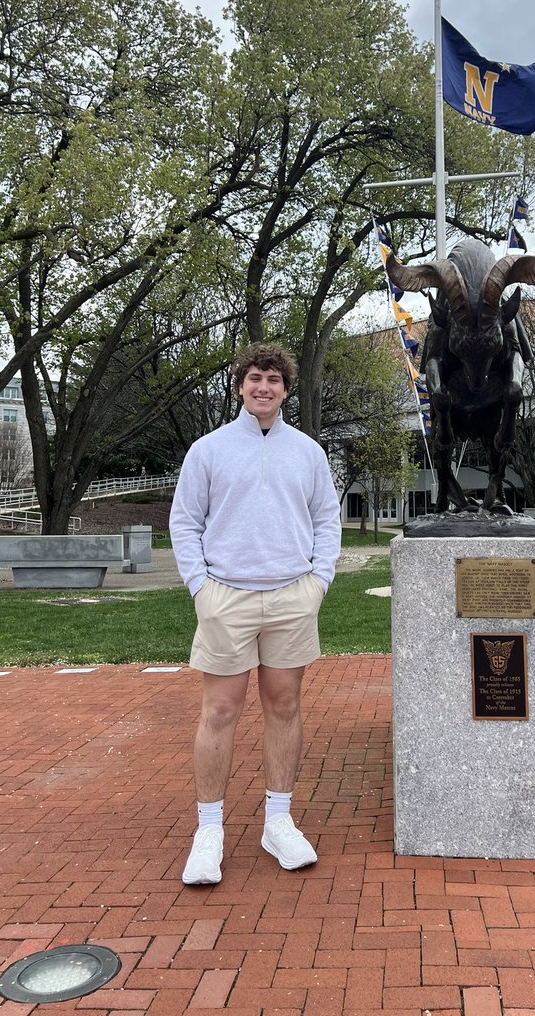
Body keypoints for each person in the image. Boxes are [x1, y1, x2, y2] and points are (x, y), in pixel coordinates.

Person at [169, 343, 341, 885]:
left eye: (273, 379)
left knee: (284, 706)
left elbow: (326, 521)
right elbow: (185, 521)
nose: (263, 387)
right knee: (219, 710)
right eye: (254, 379)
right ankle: (209, 831)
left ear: (286, 389)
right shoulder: (208, 450)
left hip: (293, 595)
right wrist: (200, 586)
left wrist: (319, 581)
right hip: (226, 595)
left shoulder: (309, 452)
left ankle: (278, 821)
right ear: (240, 386)